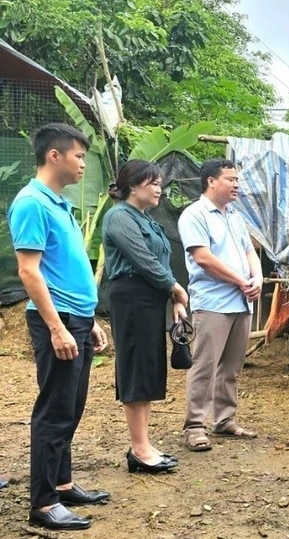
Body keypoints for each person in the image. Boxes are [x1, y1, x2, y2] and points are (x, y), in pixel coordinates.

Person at [7, 123, 110, 531]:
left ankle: (62, 483)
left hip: (77, 318)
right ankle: (44, 502)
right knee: (54, 411)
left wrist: (90, 321)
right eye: (79, 156)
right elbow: (29, 272)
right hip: (58, 320)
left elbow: (65, 267)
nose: (83, 163)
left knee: (71, 407)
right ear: (55, 156)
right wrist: (57, 327)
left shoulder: (58, 203)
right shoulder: (31, 202)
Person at [102, 160, 188, 473]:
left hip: (151, 299)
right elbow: (144, 260)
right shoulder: (119, 217)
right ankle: (139, 448)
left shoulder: (145, 218)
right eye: (153, 183)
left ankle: (144, 443)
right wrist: (175, 288)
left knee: (149, 368)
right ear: (133, 185)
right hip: (132, 299)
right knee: (136, 368)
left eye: (160, 184)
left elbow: (160, 263)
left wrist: (172, 297)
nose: (158, 189)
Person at [177, 159, 263, 452]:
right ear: (211, 181)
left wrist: (258, 277)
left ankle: (224, 419)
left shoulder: (235, 217)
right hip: (213, 302)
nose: (236, 184)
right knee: (205, 365)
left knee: (232, 366)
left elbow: (250, 251)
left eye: (237, 179)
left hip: (241, 302)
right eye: (230, 179)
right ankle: (194, 425)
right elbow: (203, 258)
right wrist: (242, 280)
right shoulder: (195, 214)